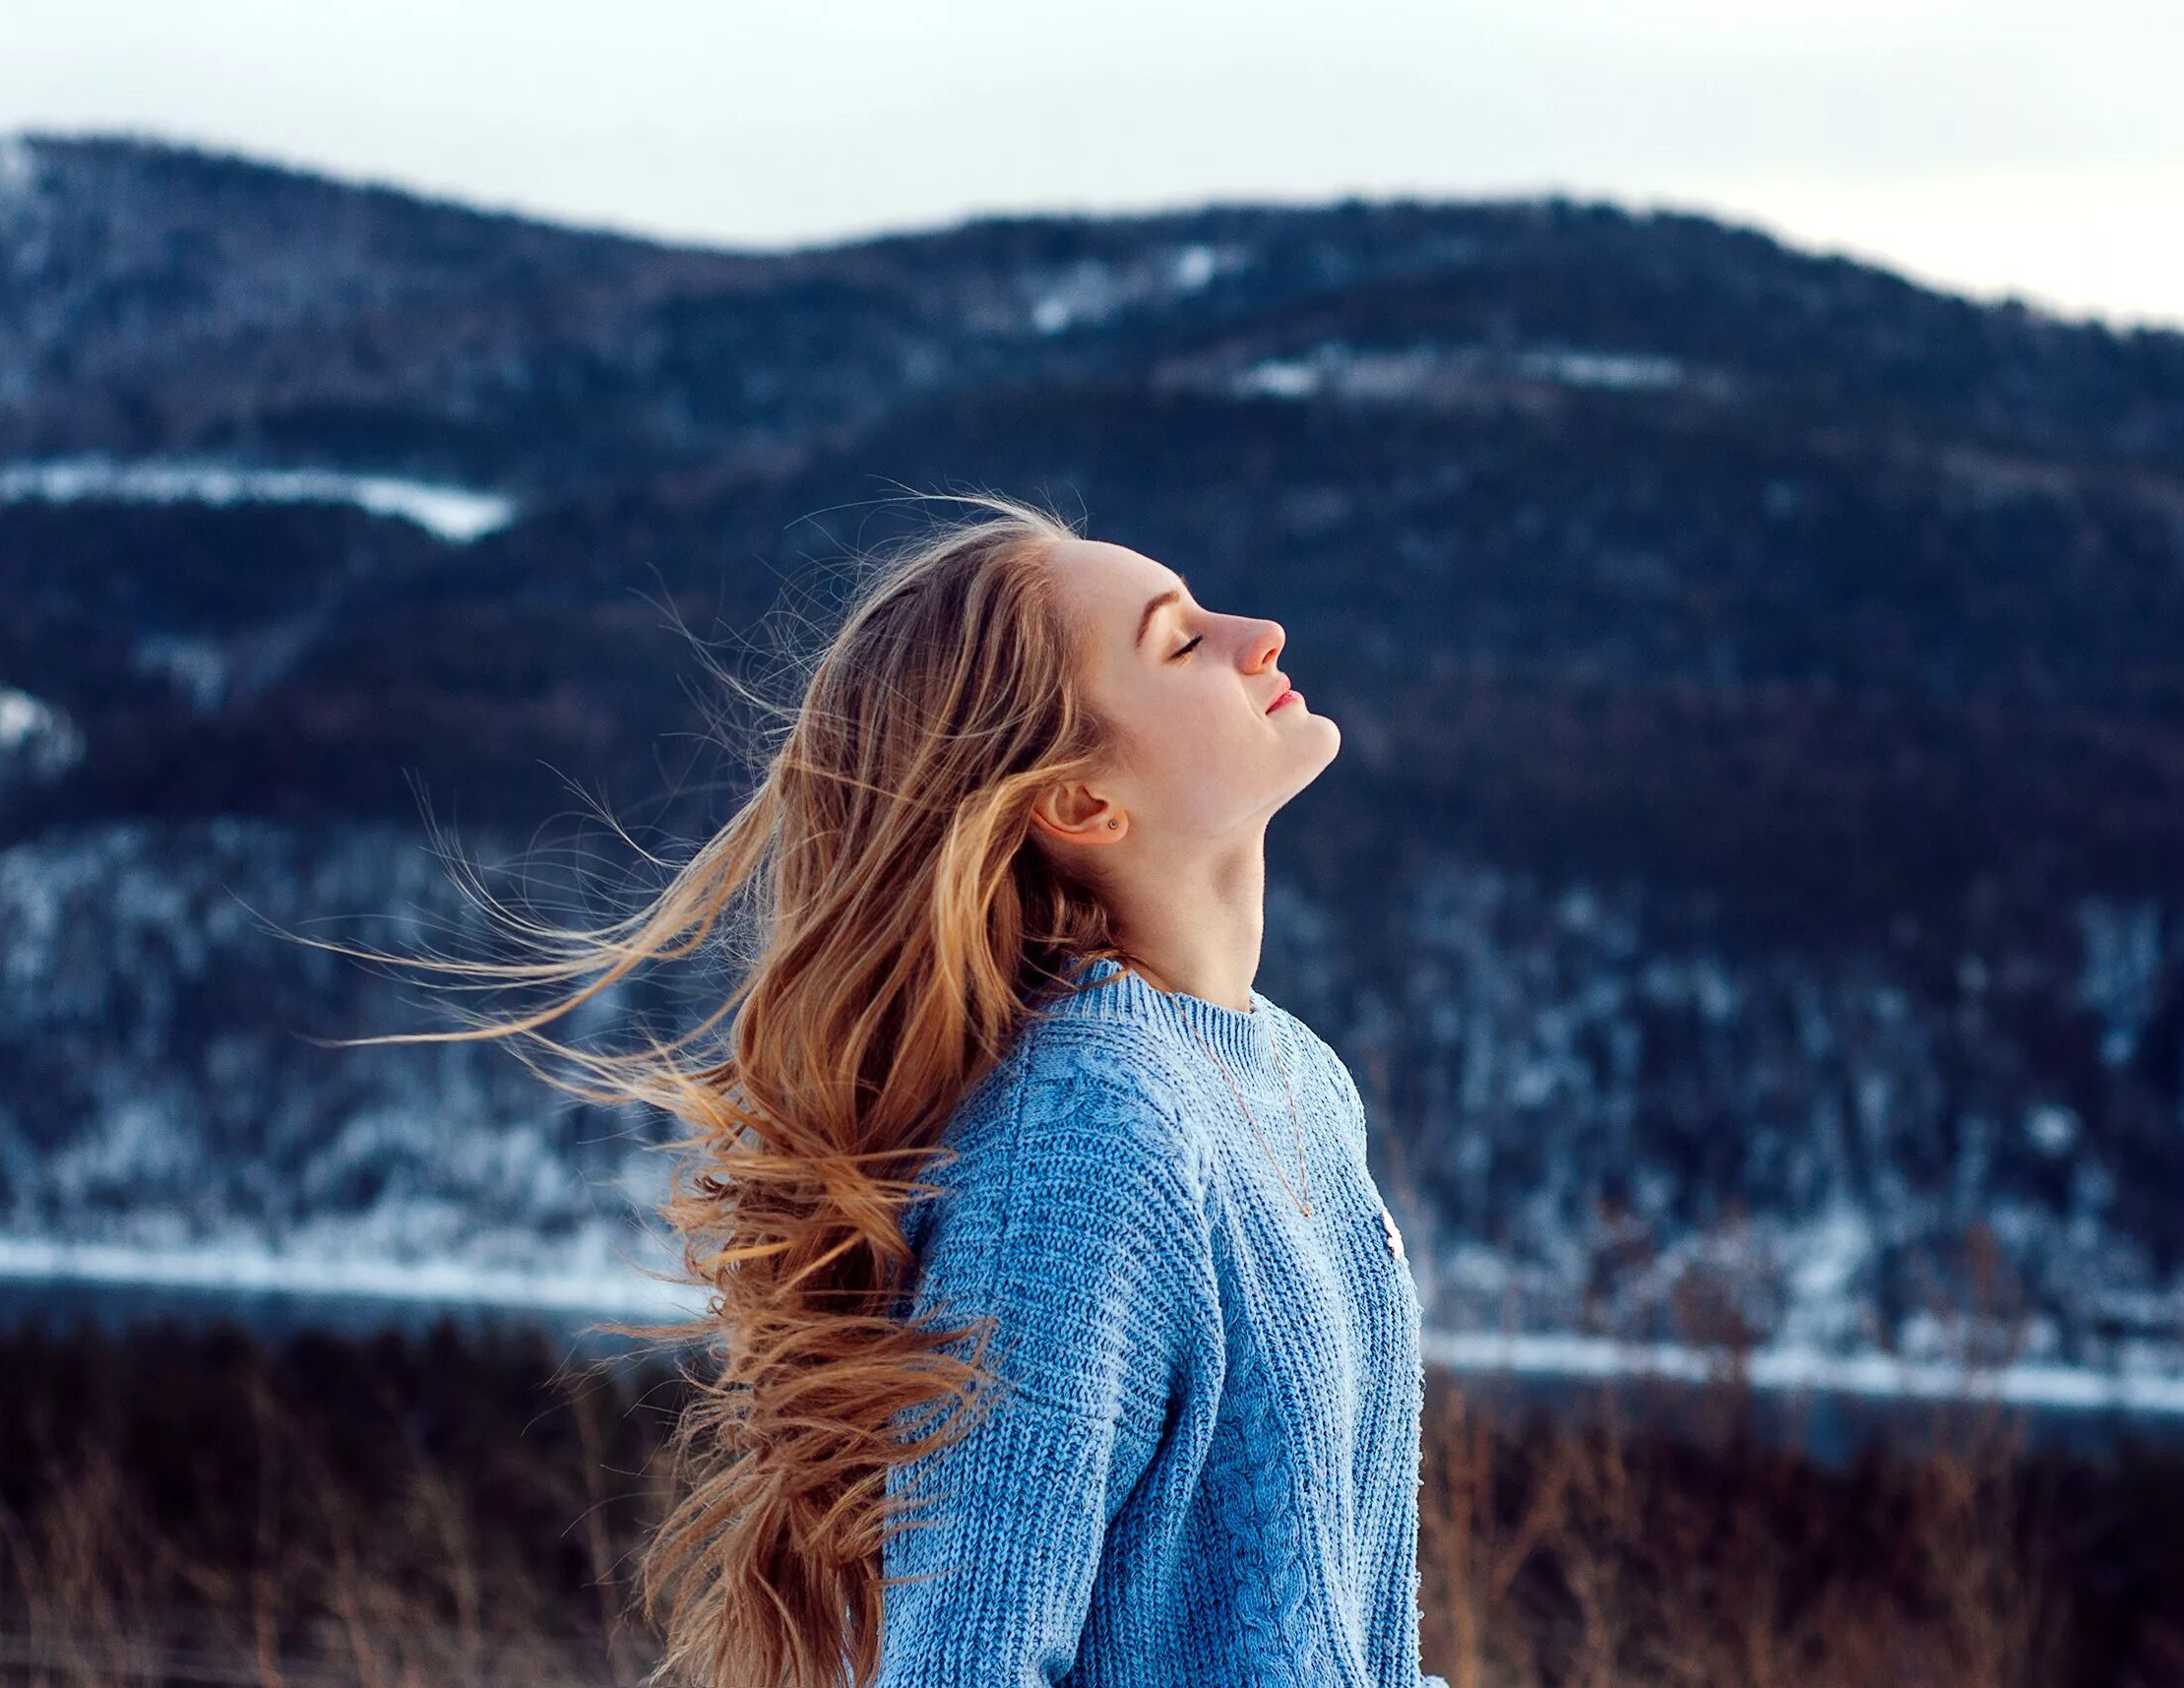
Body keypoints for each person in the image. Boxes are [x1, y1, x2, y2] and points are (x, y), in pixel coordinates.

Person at [319, 491, 1447, 1688]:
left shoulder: (1295, 1078)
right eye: (1180, 640)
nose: (1256, 631)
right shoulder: (1095, 1126)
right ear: (1076, 801)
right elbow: (962, 1661)